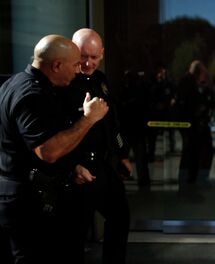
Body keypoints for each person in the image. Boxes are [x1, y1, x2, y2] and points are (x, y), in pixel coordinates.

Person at [0, 35, 108, 263]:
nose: (79, 70)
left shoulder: (19, 82)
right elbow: (47, 151)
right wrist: (89, 119)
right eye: (76, 64)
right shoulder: (31, 94)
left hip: (31, 194)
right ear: (57, 65)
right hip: (25, 202)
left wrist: (71, 166)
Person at [55, 28, 132, 264]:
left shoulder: (100, 80)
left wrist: (122, 154)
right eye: (83, 56)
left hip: (101, 165)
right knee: (74, 235)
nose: (88, 63)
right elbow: (52, 135)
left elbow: (113, 121)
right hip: (76, 170)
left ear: (102, 54)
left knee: (120, 215)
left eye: (94, 57)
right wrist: (70, 166)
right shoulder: (63, 83)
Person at [173, 60, 214, 190]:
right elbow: (188, 101)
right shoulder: (188, 82)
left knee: (192, 150)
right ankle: (189, 178)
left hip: (192, 122)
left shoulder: (190, 81)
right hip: (189, 122)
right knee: (190, 151)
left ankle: (191, 177)